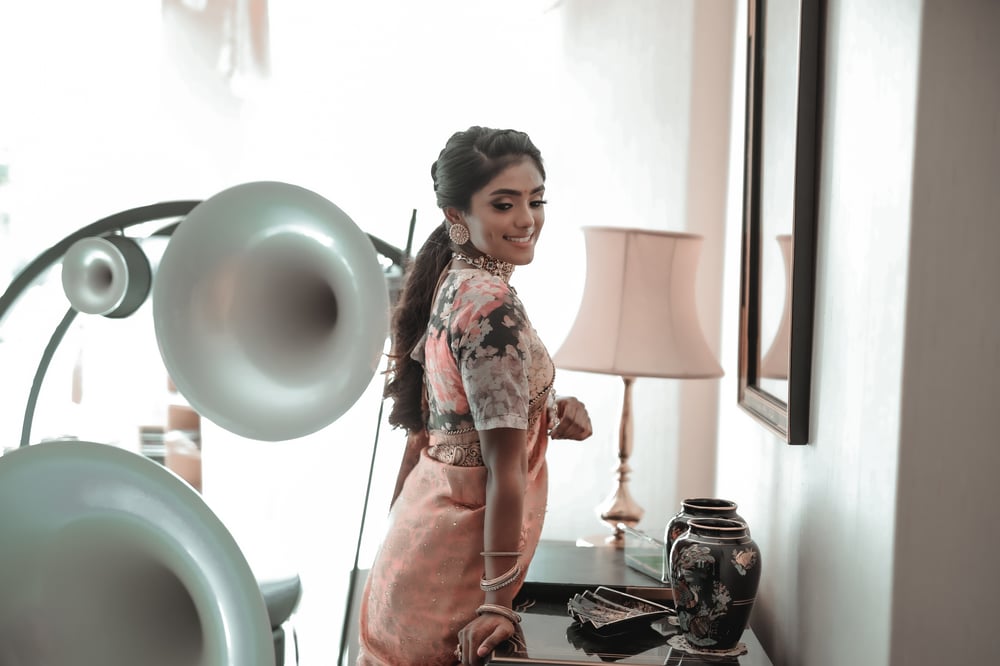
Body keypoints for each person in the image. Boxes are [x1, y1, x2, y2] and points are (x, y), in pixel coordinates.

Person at [357, 126, 593, 666]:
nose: (526, 219)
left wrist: (549, 411)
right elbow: (502, 470)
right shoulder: (492, 310)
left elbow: (462, 412)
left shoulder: (456, 281)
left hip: (416, 549)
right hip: (454, 575)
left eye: (536, 200)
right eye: (504, 203)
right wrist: (496, 604)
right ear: (457, 216)